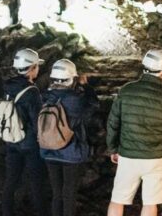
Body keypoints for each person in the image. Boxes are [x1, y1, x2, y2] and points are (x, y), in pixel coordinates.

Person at [106, 49, 162, 216]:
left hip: (128, 156)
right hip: (157, 159)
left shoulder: (126, 91)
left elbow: (113, 123)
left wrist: (113, 149)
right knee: (150, 204)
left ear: (144, 67)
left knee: (117, 200)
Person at [40, 59, 99, 216]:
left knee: (57, 193)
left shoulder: (44, 97)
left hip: (48, 151)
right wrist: (86, 86)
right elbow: (93, 106)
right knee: (69, 194)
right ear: (72, 78)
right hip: (71, 153)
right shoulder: (76, 100)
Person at [1, 48, 49, 216]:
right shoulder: (32, 92)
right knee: (37, 182)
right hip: (29, 144)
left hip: (11, 139)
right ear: (32, 68)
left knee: (11, 180)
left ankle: (7, 212)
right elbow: (37, 121)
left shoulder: (8, 86)